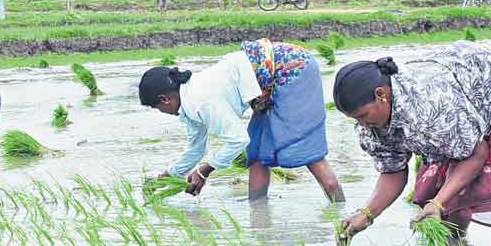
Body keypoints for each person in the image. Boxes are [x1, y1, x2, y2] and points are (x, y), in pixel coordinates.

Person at [138, 39, 344, 201]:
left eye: (156, 108)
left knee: (302, 145)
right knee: (257, 150)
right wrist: (166, 177)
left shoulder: (202, 101)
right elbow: (196, 149)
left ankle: (339, 210)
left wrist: (204, 171)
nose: (161, 112)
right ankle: (258, 211)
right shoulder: (189, 104)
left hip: (292, 69)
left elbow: (237, 140)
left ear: (165, 99)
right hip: (268, 79)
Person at [334, 43, 491, 245]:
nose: (362, 124)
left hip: (484, 90)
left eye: (363, 115)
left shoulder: (428, 106)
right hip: (452, 117)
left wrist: (438, 202)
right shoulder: (371, 125)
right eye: (354, 119)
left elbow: (477, 152)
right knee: (446, 205)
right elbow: (393, 171)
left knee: (487, 190)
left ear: (381, 94)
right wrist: (366, 214)